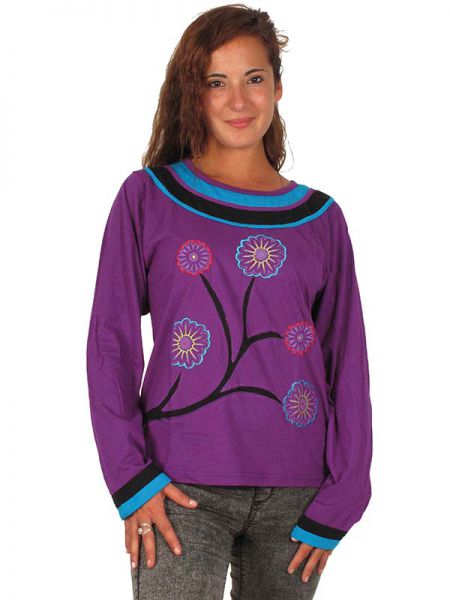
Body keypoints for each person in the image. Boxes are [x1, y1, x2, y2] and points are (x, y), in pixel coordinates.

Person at [86, 4, 373, 599]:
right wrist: (131, 478)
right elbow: (110, 343)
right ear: (193, 93)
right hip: (178, 485)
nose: (238, 101)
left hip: (298, 494)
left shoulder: (320, 219)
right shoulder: (148, 198)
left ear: (278, 87)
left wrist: (347, 492)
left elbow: (347, 362)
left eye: (254, 78)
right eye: (216, 82)